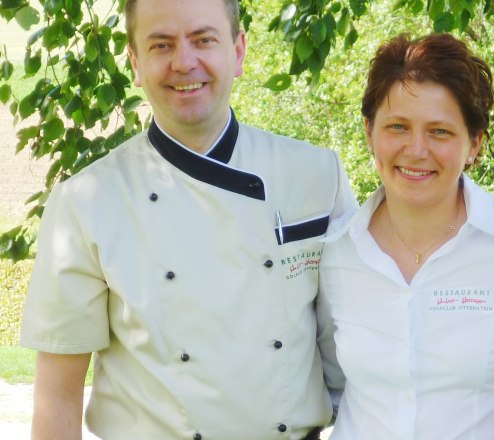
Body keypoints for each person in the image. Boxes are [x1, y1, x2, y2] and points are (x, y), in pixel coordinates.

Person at [20, 0, 356, 438]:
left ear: (238, 51)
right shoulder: (86, 201)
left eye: (203, 40)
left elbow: (357, 354)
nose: (184, 62)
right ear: (136, 64)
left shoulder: (316, 175)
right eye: (162, 45)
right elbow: (58, 397)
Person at [315, 33, 494, 440]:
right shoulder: (336, 251)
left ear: (474, 144)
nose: (416, 149)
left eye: (440, 132)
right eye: (397, 127)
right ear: (370, 132)